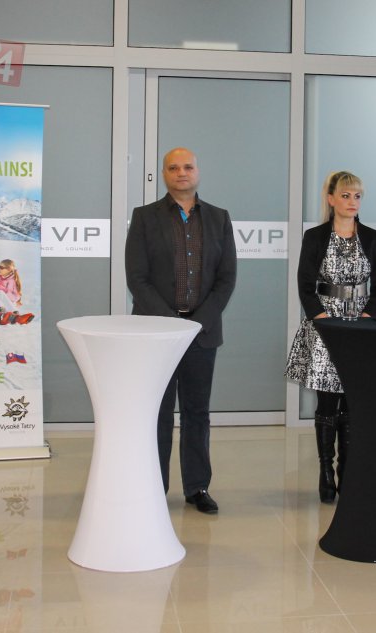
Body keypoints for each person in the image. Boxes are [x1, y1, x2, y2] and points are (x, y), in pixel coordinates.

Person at [125, 147, 237, 514]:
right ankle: (154, 486)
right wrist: (170, 324)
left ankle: (197, 487)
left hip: (202, 333)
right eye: (173, 168)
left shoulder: (219, 218)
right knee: (157, 413)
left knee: (196, 412)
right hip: (156, 334)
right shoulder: (145, 217)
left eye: (187, 166)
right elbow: (137, 279)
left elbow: (226, 278)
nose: (181, 172)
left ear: (197, 172)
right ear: (164, 174)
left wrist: (197, 322)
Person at [284, 171, 376, 503]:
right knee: (327, 403)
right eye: (345, 195)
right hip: (325, 326)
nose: (352, 202)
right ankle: (326, 471)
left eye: (357, 196)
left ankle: (348, 470)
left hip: (361, 326)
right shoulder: (315, 237)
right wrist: (323, 320)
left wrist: (367, 317)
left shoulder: (373, 237)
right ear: (331, 199)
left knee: (353, 403)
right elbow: (305, 285)